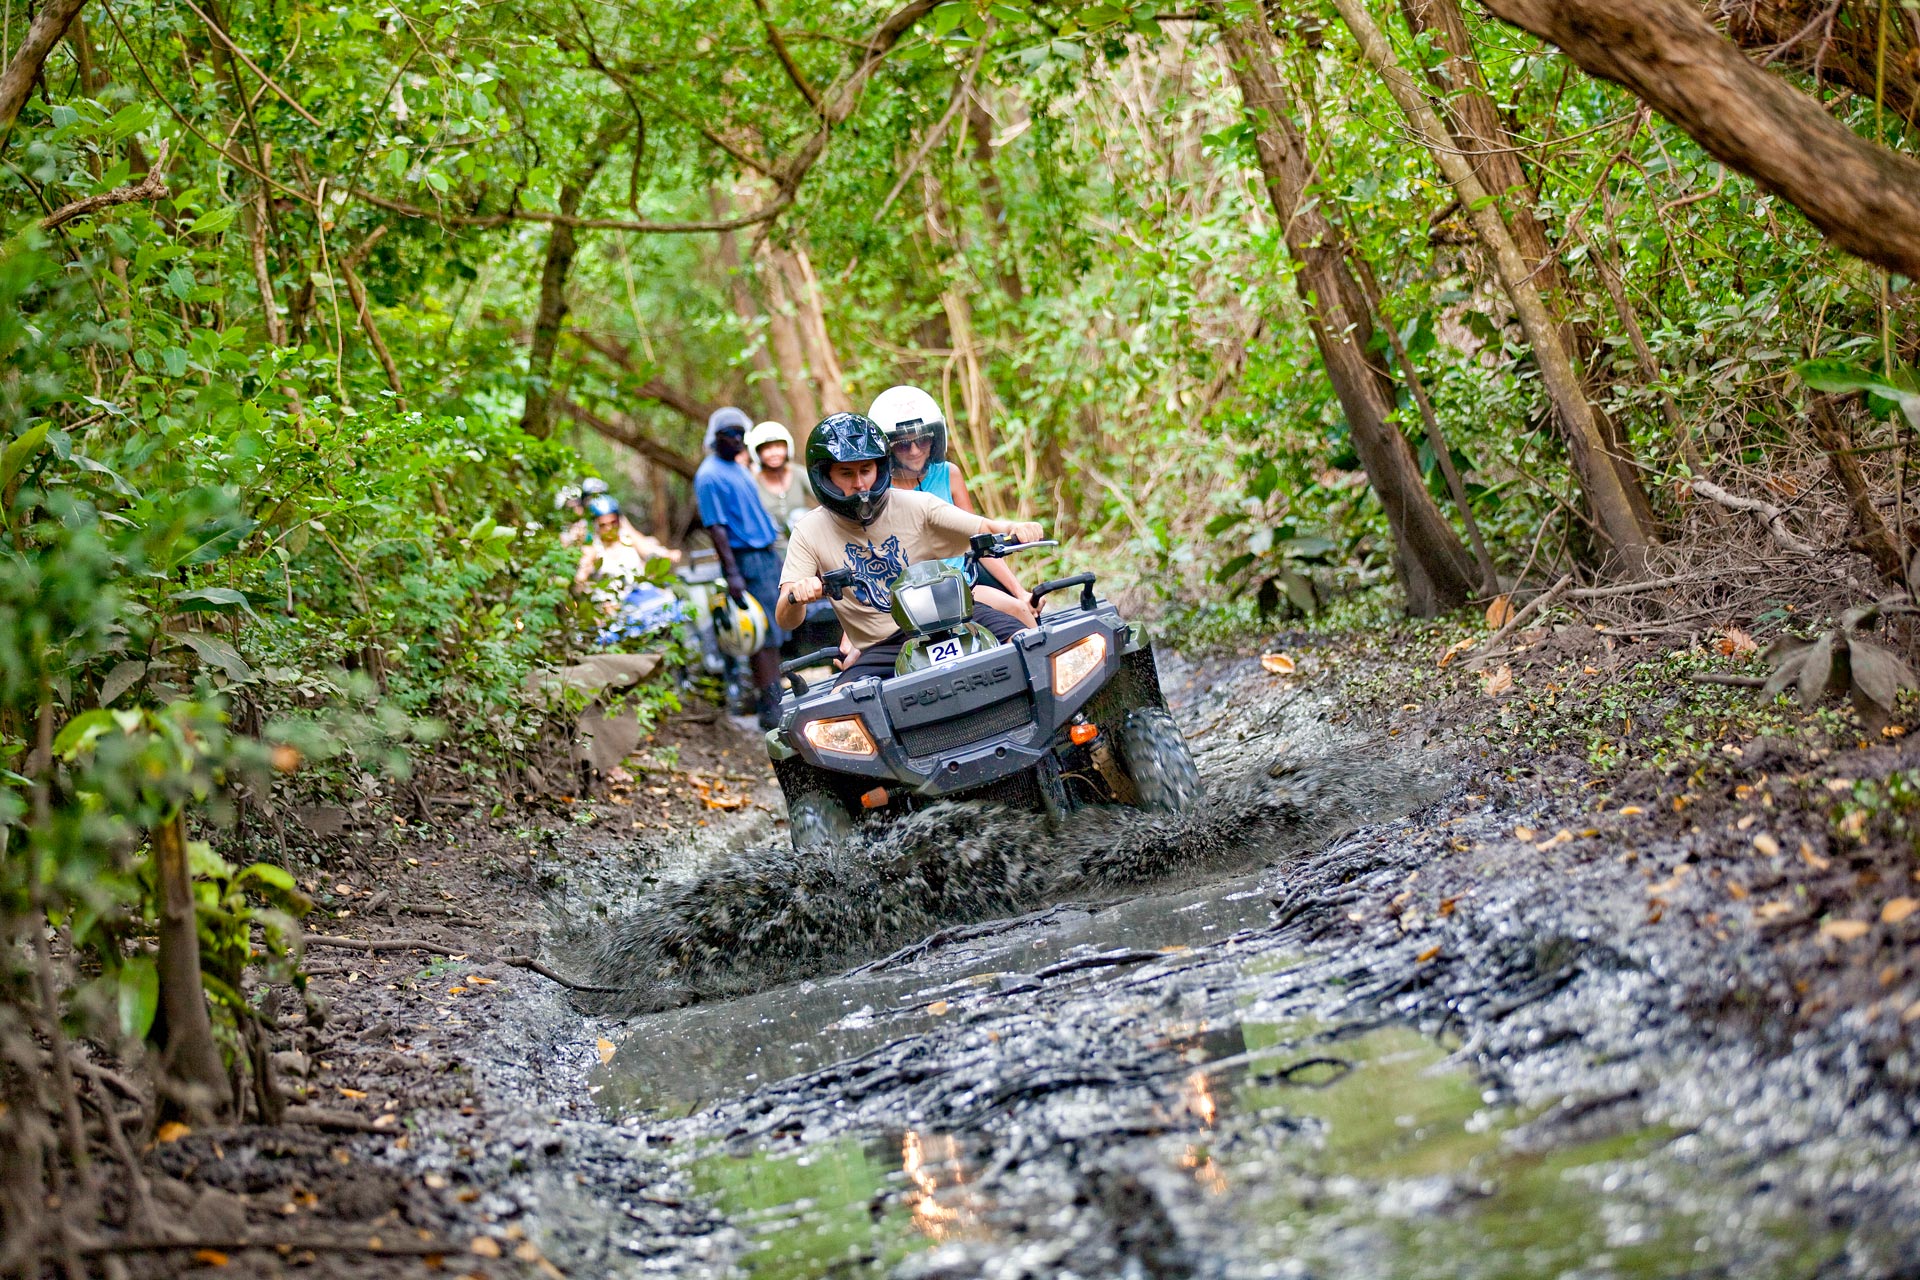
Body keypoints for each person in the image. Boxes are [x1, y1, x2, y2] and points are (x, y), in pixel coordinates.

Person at [776, 413, 1044, 687]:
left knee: (1030, 646)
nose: (859, 483)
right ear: (824, 476)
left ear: (879, 468)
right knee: (842, 703)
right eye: (846, 473)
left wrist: (1016, 526)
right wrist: (797, 596)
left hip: (955, 620)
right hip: (883, 644)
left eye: (866, 470)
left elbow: (984, 527)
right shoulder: (808, 531)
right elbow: (786, 618)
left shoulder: (917, 505)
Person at [867, 385, 1036, 626]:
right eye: (904, 445)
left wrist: (1020, 592)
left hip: (961, 585)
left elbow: (977, 538)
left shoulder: (949, 474)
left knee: (1019, 611)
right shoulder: (881, 492)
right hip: (910, 598)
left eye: (922, 440)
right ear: (888, 448)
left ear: (934, 439)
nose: (915, 451)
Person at [694, 405, 787, 727]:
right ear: (715, 437)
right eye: (729, 434)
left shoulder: (736, 467)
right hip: (744, 558)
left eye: (740, 433)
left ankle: (777, 698)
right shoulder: (708, 476)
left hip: (764, 553)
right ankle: (770, 708)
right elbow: (716, 527)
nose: (736, 439)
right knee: (761, 634)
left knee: (774, 630)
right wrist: (732, 573)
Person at [573, 495, 673, 598]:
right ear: (596, 525)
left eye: (613, 523)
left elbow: (647, 548)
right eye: (603, 525)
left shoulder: (628, 538)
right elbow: (581, 575)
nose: (609, 528)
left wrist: (667, 554)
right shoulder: (593, 549)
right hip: (613, 605)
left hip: (642, 596)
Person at [746, 421, 815, 555]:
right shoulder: (752, 483)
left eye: (778, 446)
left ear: (787, 448)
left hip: (805, 545)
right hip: (771, 551)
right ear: (757, 453)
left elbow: (824, 497)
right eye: (767, 448)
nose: (774, 453)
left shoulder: (799, 473)